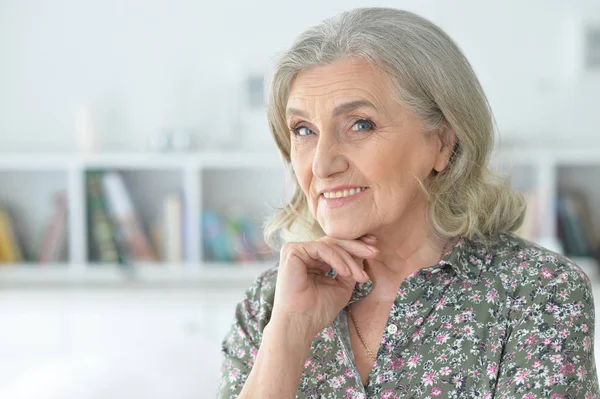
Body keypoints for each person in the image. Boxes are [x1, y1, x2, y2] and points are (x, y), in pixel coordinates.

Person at [217, 7, 599, 399]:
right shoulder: (270, 303)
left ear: (442, 142)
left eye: (360, 125)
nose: (321, 164)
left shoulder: (538, 291)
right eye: (303, 130)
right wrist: (290, 331)